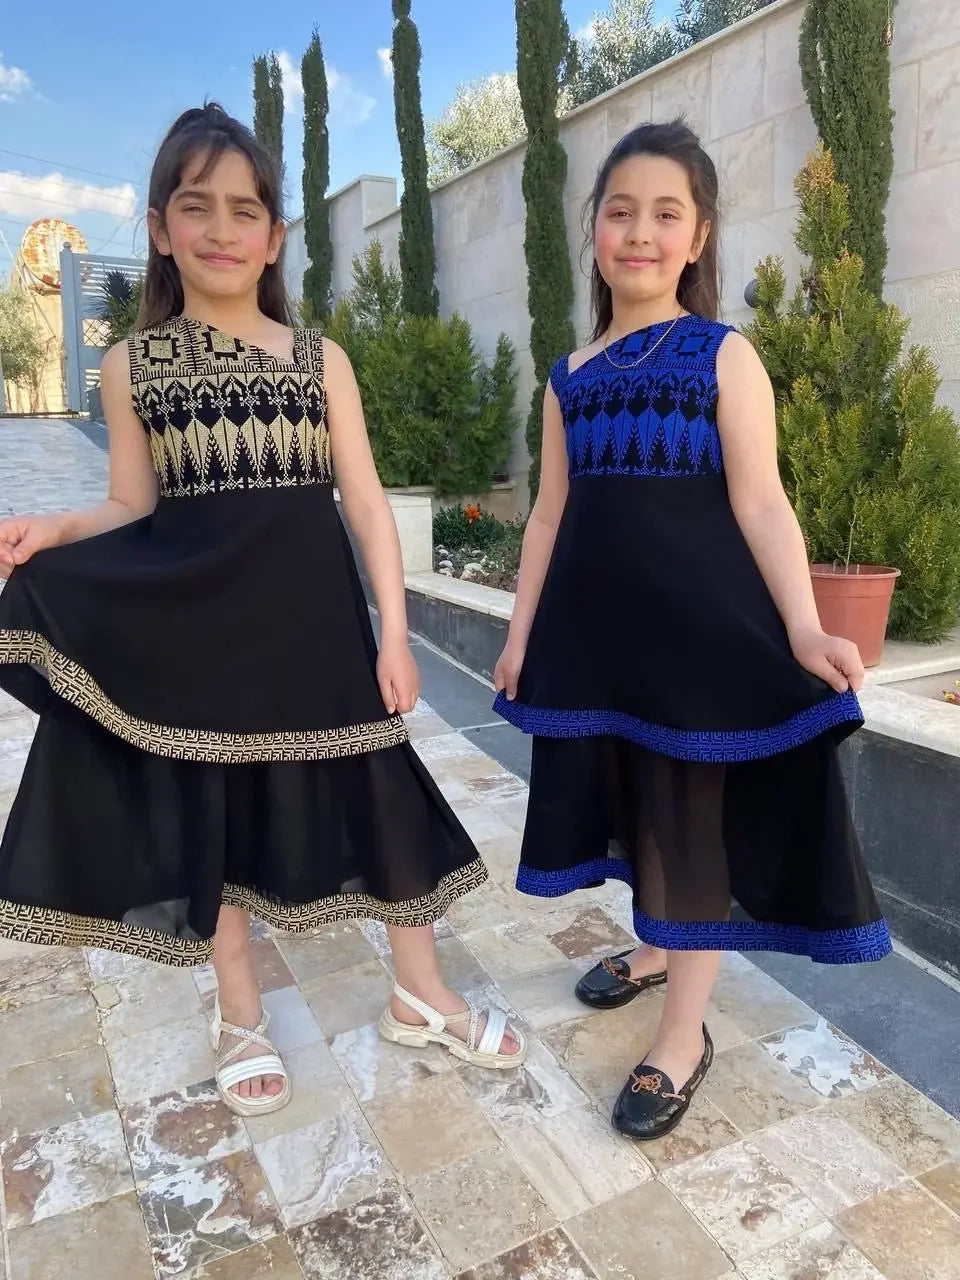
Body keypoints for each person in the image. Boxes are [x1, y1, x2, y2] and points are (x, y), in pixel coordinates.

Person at [0, 103, 524, 1117]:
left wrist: (394, 628)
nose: (223, 229)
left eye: (246, 210)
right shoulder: (130, 367)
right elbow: (131, 506)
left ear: (276, 236)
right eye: (196, 207)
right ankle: (239, 1004)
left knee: (378, 787)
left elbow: (367, 503)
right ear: (160, 228)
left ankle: (420, 988)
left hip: (314, 621)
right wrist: (53, 534)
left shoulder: (318, 359)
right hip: (198, 628)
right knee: (211, 800)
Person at [493, 119, 890, 1142]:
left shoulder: (724, 356)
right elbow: (547, 514)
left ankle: (684, 1032)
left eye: (666, 213)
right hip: (599, 651)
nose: (639, 231)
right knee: (634, 802)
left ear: (700, 235)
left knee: (691, 828)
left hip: (701, 653)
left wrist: (804, 626)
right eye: (620, 211)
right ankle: (660, 945)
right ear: (595, 232)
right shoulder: (568, 375)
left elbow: (762, 503)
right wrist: (521, 634)